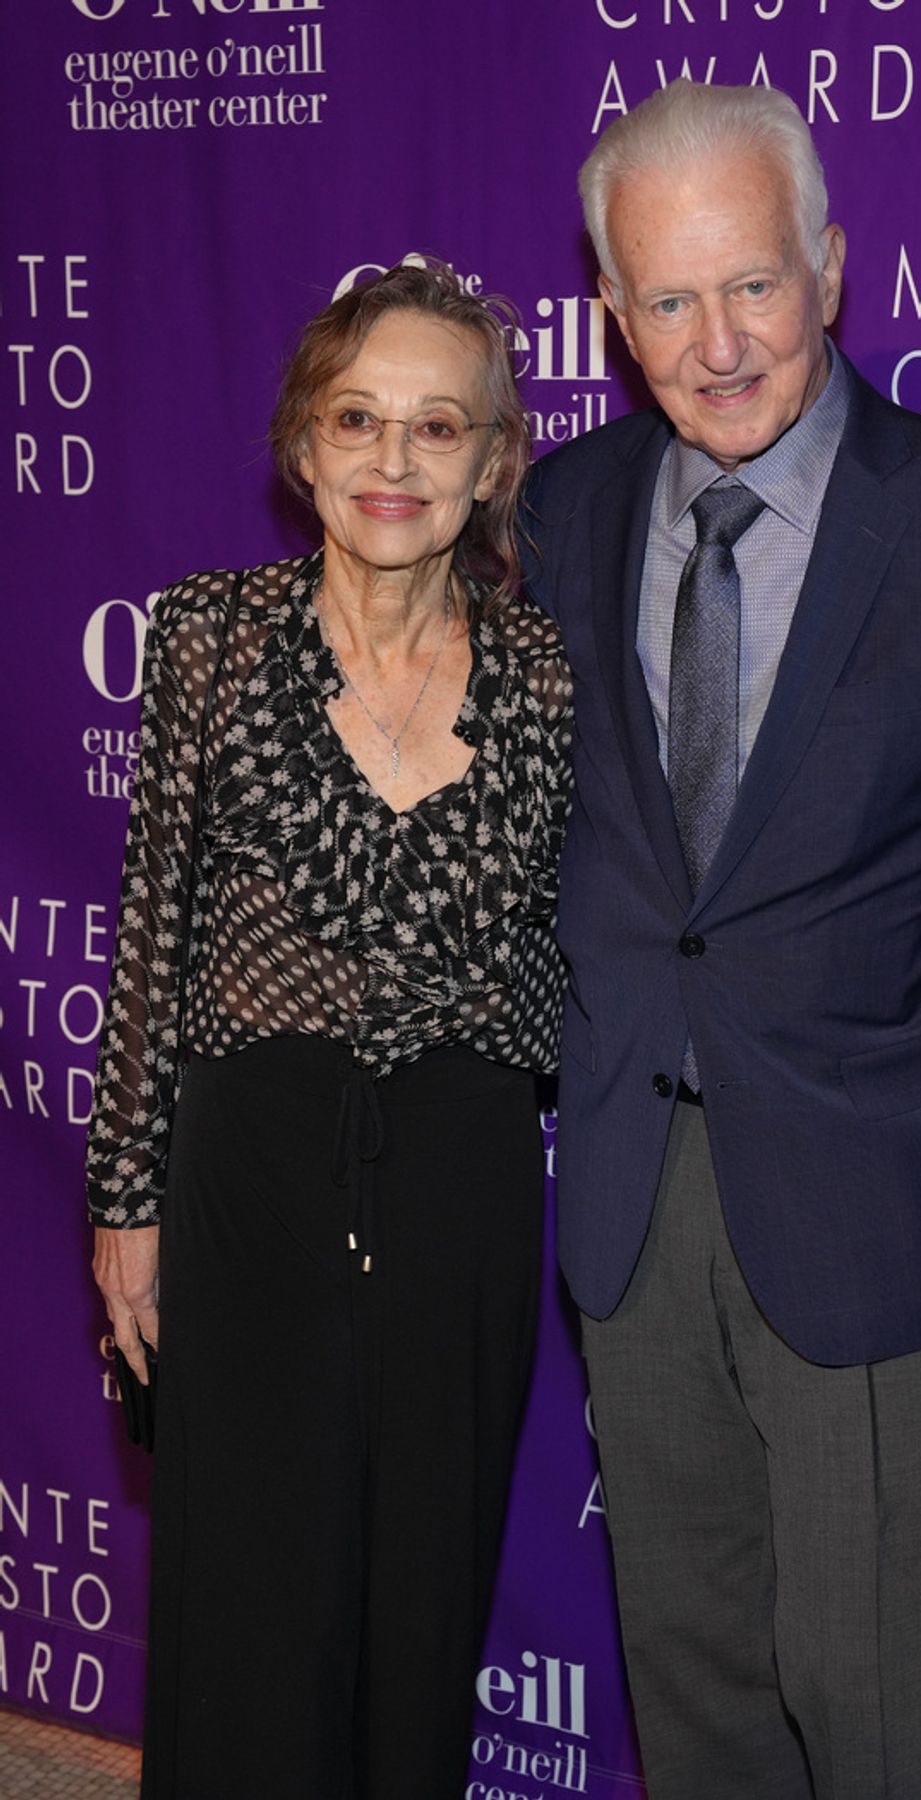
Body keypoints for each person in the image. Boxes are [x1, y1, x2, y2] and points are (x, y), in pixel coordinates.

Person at [521, 81, 921, 1798]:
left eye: (753, 285)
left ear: (831, 269)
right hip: (635, 1198)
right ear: (612, 311)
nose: (716, 346)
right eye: (667, 299)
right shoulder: (558, 515)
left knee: (869, 1700)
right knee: (693, 1681)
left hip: (880, 1200)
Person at [88, 259, 572, 1800]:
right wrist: (125, 1200)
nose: (393, 461)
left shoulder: (547, 674)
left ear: (493, 462)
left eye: (440, 427)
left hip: (462, 1182)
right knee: (247, 1598)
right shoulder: (211, 638)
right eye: (359, 419)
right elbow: (152, 926)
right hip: (252, 1180)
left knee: (424, 1594)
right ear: (304, 442)